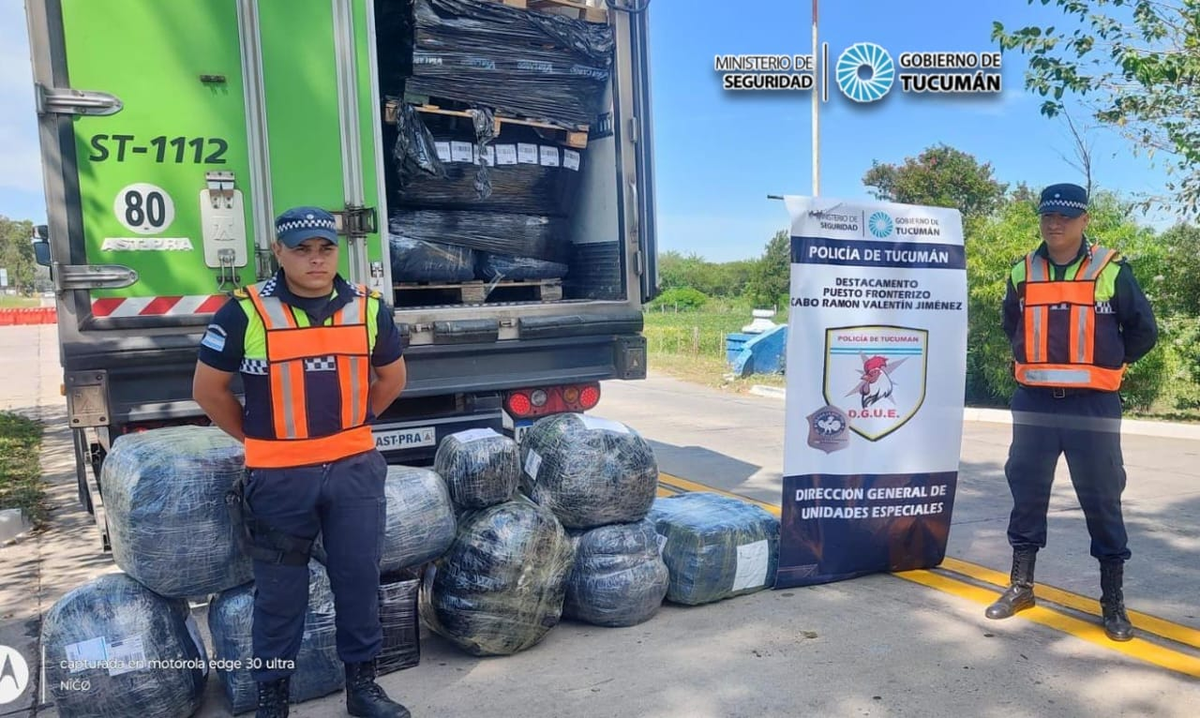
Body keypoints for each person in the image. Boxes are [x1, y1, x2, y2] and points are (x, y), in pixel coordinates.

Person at [193, 207, 410, 718]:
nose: (316, 259)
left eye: (325, 248)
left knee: (358, 581)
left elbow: (392, 378)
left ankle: (363, 689)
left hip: (354, 473)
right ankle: (273, 700)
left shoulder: (369, 308)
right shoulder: (244, 312)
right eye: (302, 249)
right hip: (279, 480)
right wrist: (259, 438)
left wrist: (353, 422)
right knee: (279, 596)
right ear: (278, 252)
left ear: (338, 250)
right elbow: (208, 390)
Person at [987, 183, 1158, 642]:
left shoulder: (1111, 270)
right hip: (1035, 404)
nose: (1055, 223)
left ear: (1084, 220)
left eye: (1065, 216)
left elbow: (1143, 331)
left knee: (1102, 497)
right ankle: (1021, 586)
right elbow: (1011, 325)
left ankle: (1112, 601)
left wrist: (1109, 362)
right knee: (1027, 491)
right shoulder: (1022, 271)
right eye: (1048, 216)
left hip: (1092, 408)